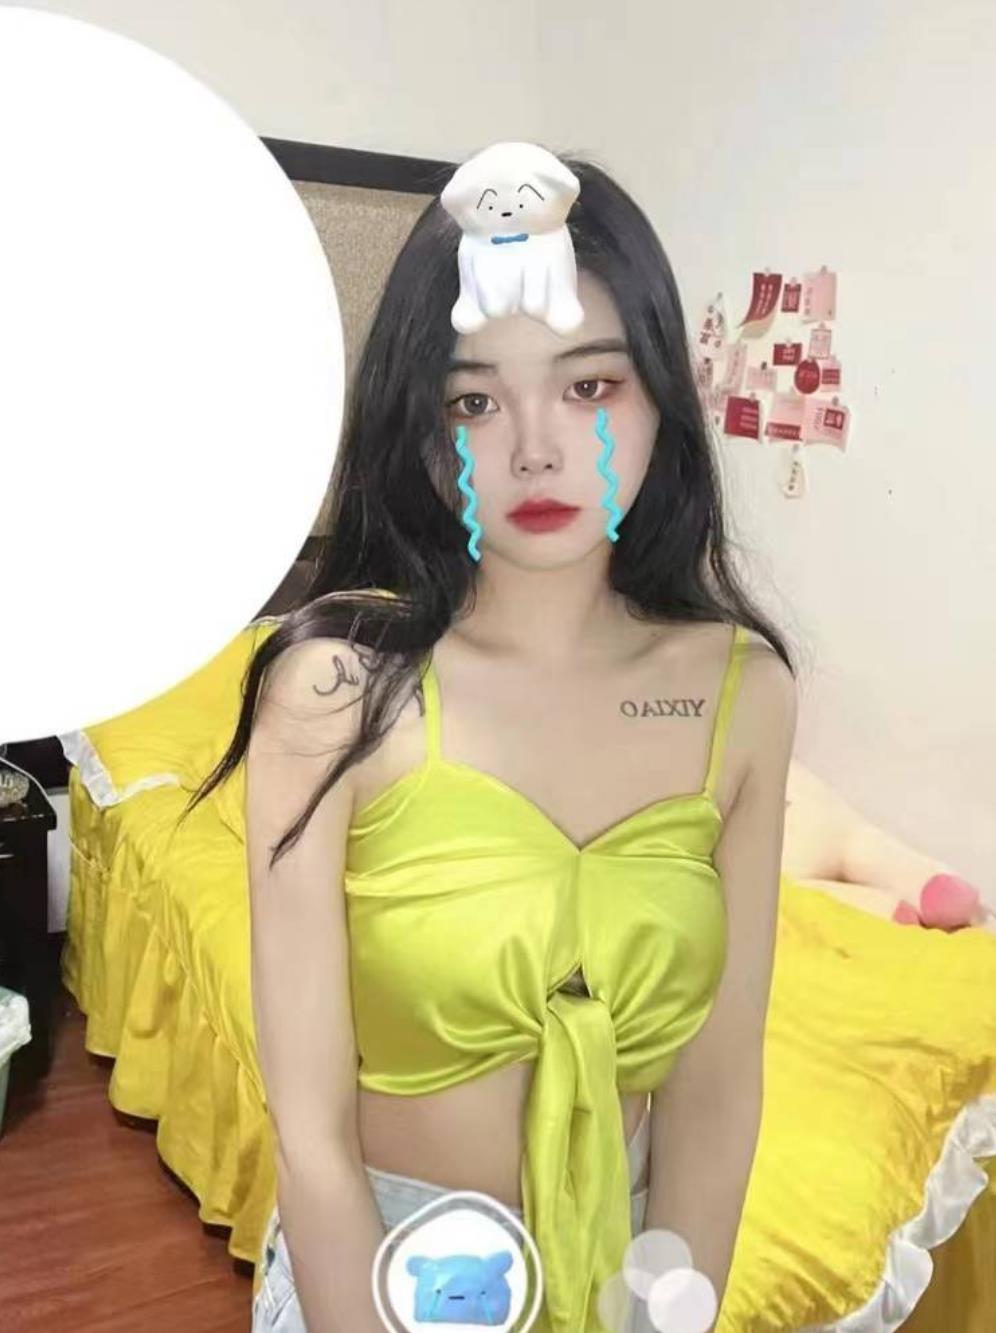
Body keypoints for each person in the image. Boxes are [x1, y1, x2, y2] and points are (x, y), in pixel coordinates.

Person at [186, 148, 798, 1333]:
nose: (533, 449)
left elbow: (718, 1091)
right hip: (385, 1267)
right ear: (420, 431)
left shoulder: (745, 696)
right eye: (473, 401)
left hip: (623, 1261)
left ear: (662, 399)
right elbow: (310, 1135)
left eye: (589, 385)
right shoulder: (335, 692)